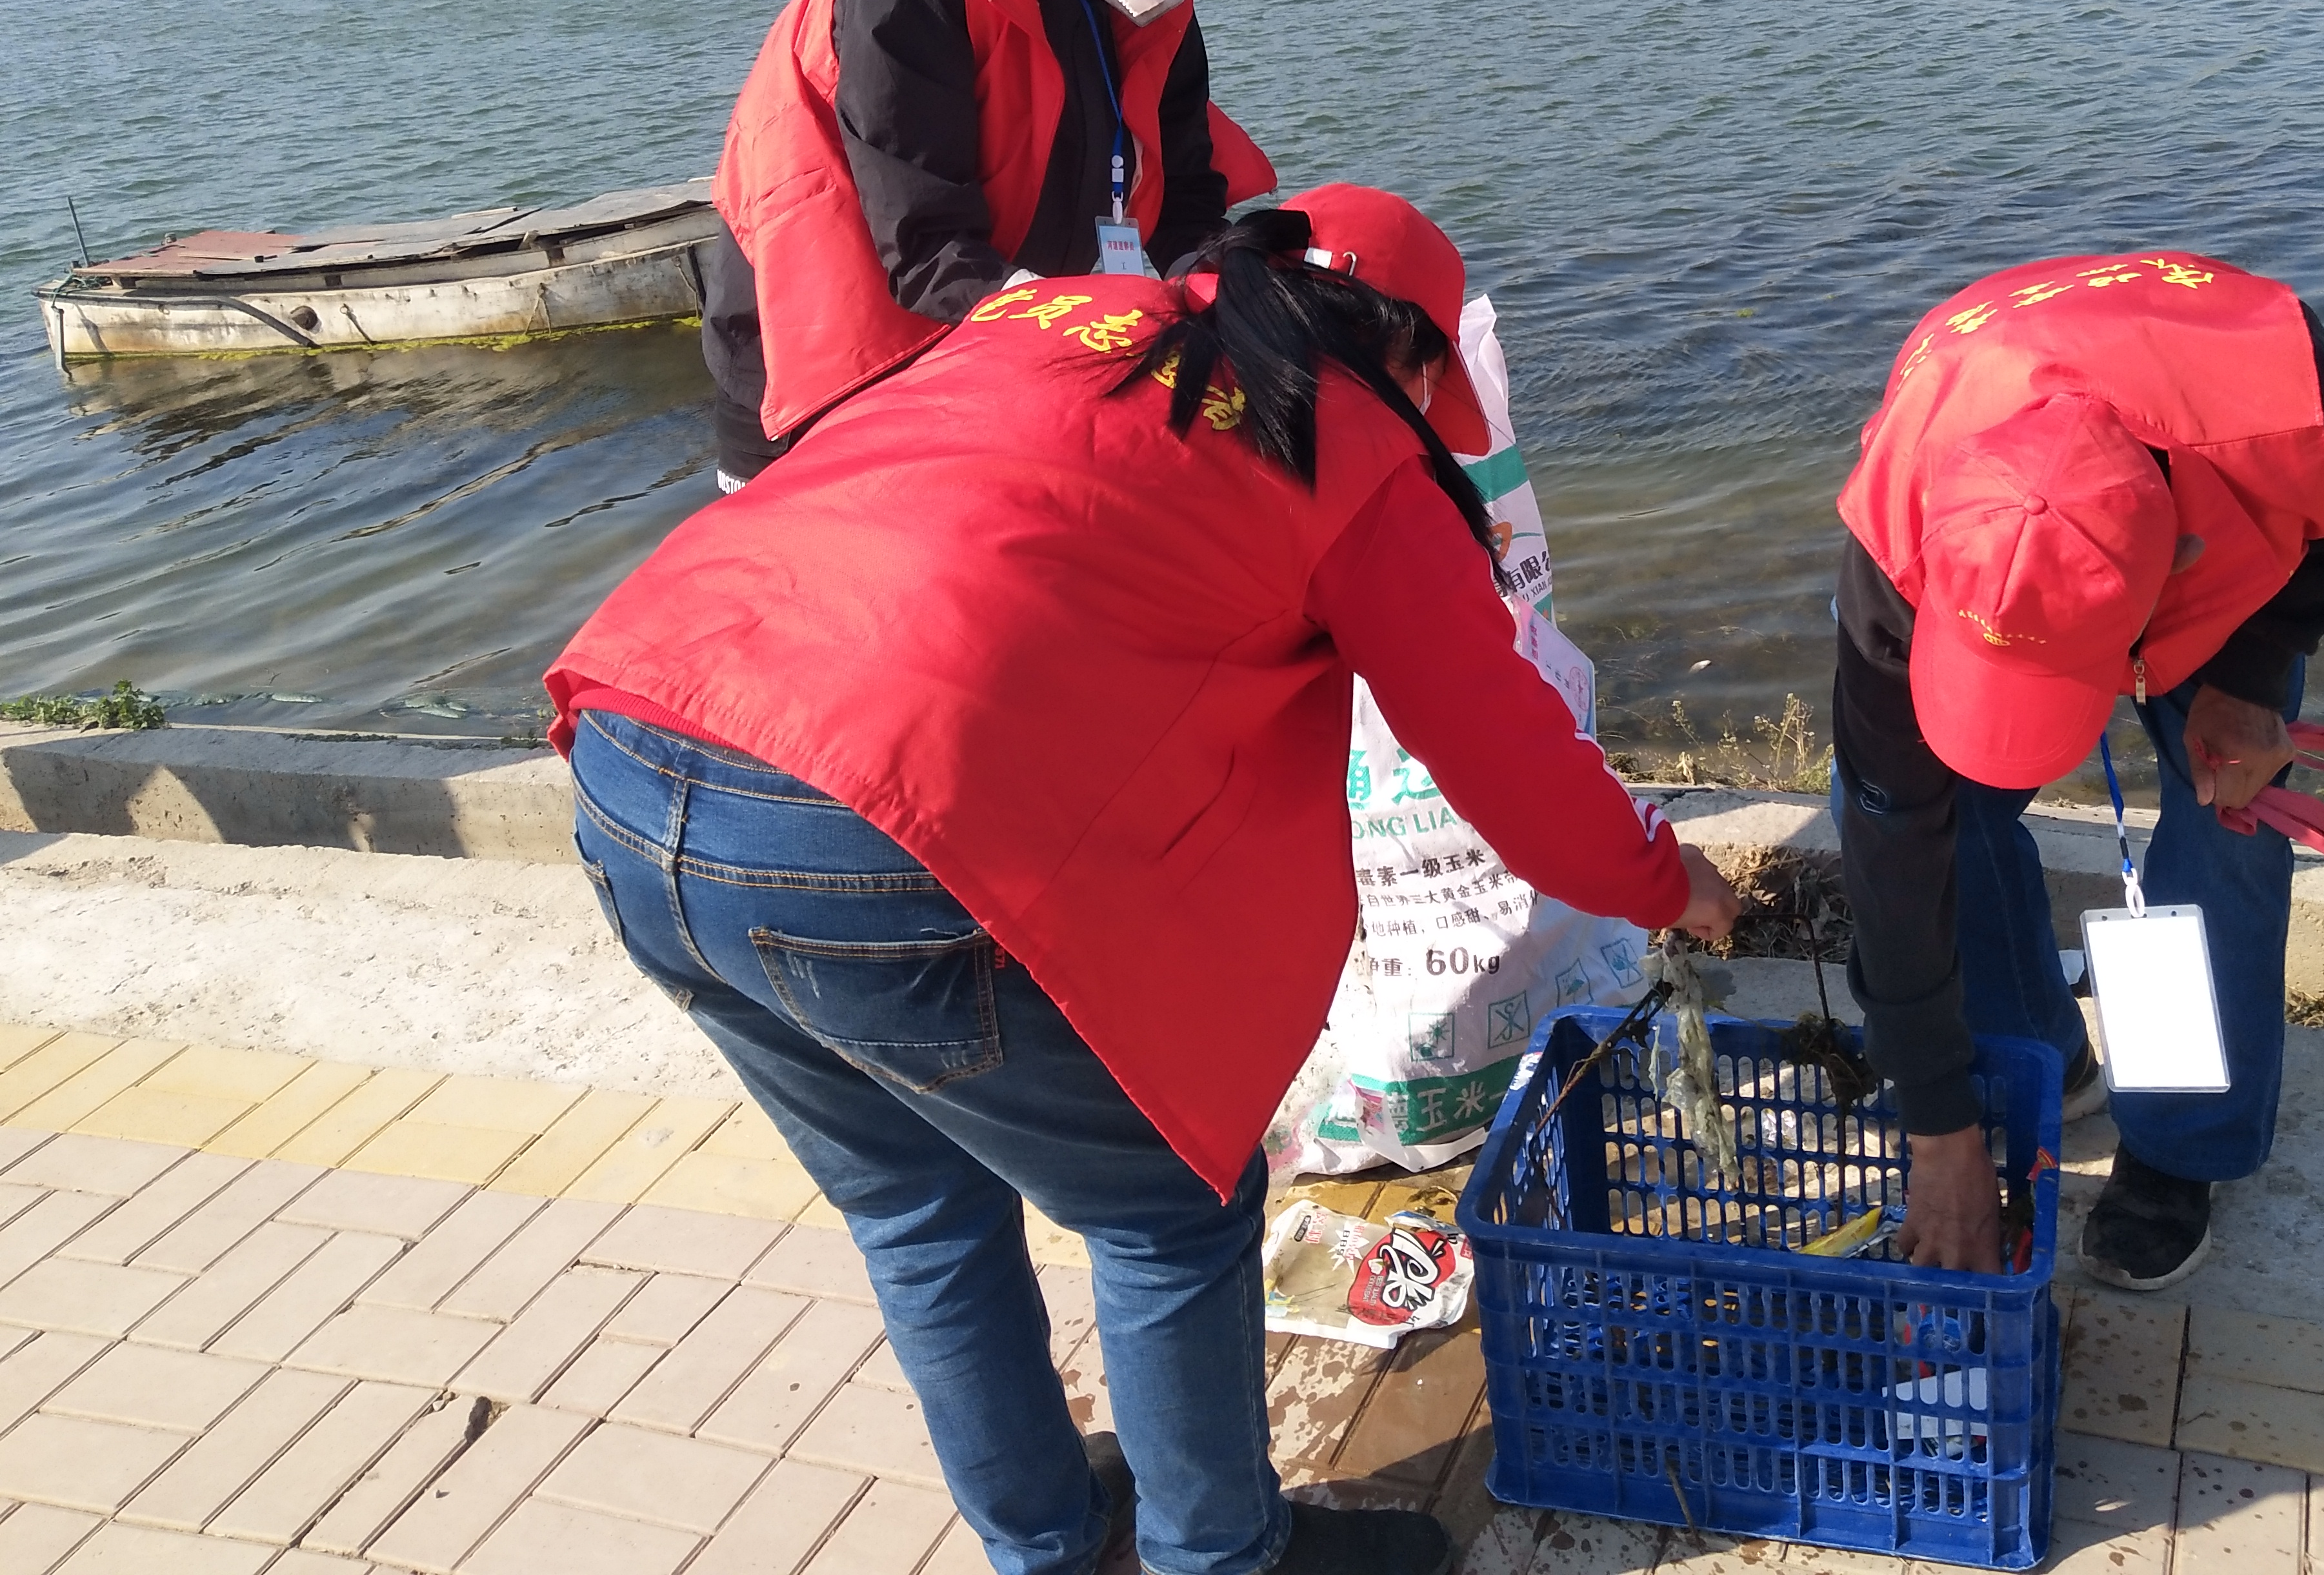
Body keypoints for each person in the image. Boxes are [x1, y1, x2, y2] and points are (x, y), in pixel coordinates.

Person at [547, 183, 1741, 1575]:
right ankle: (1220, 1556)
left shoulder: (1050, 317)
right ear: (1402, 350)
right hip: (866, 823)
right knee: (1172, 1210)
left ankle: (1047, 1546)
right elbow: (1511, 762)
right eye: (1432, 383)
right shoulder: (1348, 438)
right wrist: (1668, 882)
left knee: (918, 1211)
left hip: (630, 747)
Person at [1830, 249, 2324, 1291]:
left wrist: (2248, 675)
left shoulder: (2299, 416)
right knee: (1907, 804)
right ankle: (2032, 1060)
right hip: (1986, 444)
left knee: (2225, 823)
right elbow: (1892, 843)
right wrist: (1938, 1125)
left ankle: (2179, 1142)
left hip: (2218, 550)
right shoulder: (1898, 525)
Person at [704, 0, 1278, 488]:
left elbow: (1184, 191)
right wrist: (1080, 326)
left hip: (1007, 319)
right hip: (826, 332)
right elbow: (925, 249)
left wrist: (1228, 286)